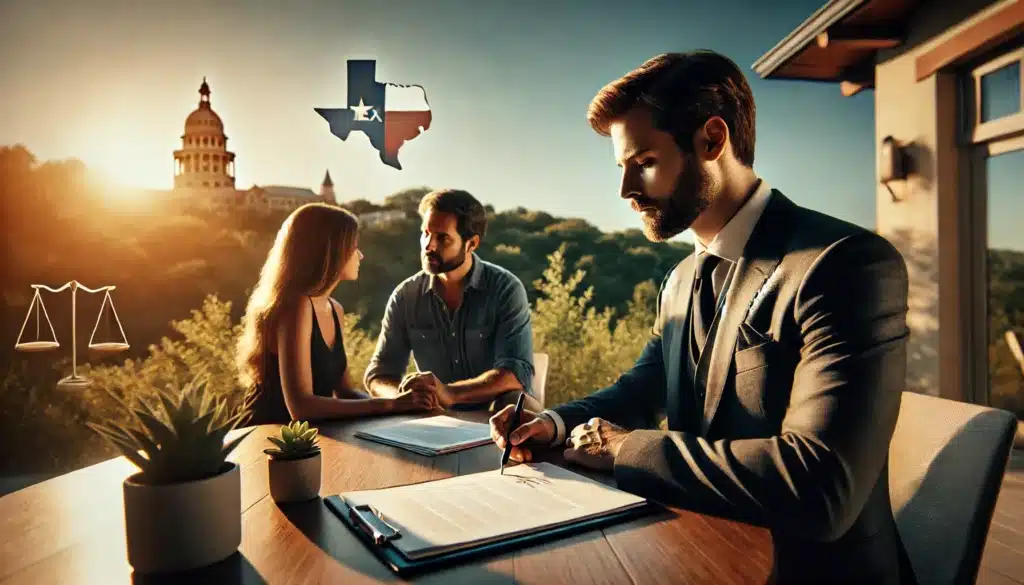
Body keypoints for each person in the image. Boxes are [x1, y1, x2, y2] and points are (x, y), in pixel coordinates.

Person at [489, 51, 914, 585]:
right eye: (621, 167)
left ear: (712, 140)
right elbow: (642, 390)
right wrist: (553, 424)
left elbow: (821, 487)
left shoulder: (844, 265)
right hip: (693, 553)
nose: (624, 191)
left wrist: (623, 447)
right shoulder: (680, 281)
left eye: (643, 162)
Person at [236, 202, 437, 425]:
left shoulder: (334, 309)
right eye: (353, 247)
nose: (360, 256)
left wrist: (402, 405)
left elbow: (345, 392)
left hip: (306, 439)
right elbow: (302, 408)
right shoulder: (297, 306)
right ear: (330, 251)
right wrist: (392, 405)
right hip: (265, 437)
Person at [363, 188, 541, 412]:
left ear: (471, 244)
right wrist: (403, 399)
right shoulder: (405, 296)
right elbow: (379, 375)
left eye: (442, 238)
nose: (429, 245)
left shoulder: (505, 289)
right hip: (435, 420)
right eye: (425, 233)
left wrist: (449, 393)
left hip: (499, 418)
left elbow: (515, 374)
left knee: (513, 403)